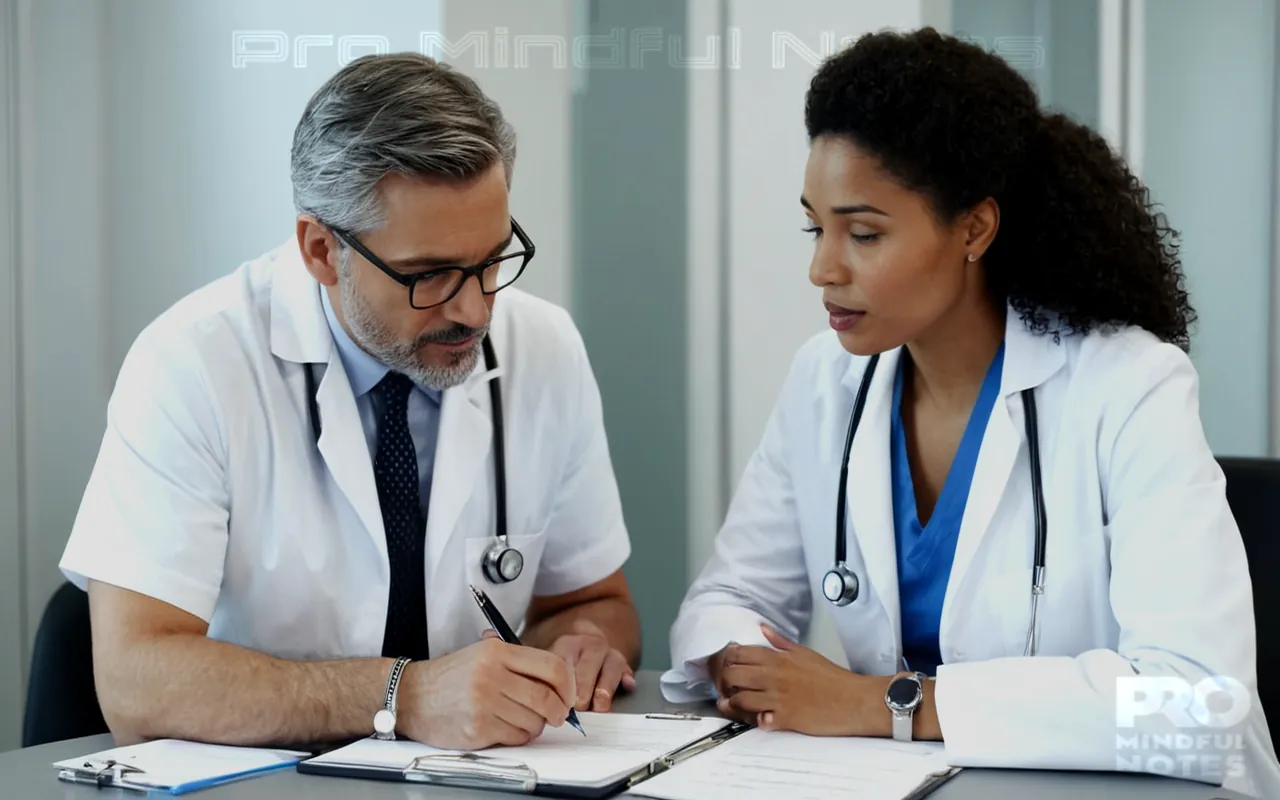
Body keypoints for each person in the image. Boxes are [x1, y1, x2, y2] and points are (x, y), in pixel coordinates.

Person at [663, 28, 1280, 798]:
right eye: (814, 228)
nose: (823, 268)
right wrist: (742, 662)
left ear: (975, 229)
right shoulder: (825, 383)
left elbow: (1199, 706)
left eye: (863, 233)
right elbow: (726, 600)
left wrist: (881, 703)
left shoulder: (1129, 385)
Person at [60, 53, 640, 751]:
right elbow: (136, 680)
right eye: (430, 276)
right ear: (318, 249)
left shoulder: (542, 346)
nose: (476, 308)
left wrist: (584, 645)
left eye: (492, 261)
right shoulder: (192, 364)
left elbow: (591, 600)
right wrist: (405, 696)